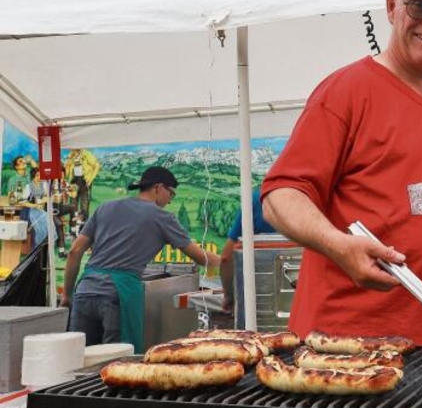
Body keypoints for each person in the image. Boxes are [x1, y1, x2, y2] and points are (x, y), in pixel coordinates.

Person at [261, 0, 422, 346]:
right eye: (419, 6)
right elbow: (280, 195)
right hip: (347, 348)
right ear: (392, 5)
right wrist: (339, 246)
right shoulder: (348, 91)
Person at [60, 166, 220, 351]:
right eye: (171, 194)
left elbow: (74, 251)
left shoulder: (105, 207)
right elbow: (201, 258)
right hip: (118, 294)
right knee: (118, 363)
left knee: (80, 360)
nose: (169, 201)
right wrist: (232, 258)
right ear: (158, 187)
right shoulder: (162, 217)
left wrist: (66, 294)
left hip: (84, 291)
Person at [219, 187, 277, 313]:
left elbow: (226, 258)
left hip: (260, 300)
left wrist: (229, 296)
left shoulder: (257, 199)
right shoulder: (316, 196)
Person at [64, 148, 101, 223]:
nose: (72, 150)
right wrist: (69, 159)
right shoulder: (71, 156)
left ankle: (84, 227)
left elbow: (97, 166)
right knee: (72, 205)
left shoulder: (86, 154)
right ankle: (73, 228)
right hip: (74, 182)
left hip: (84, 181)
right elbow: (66, 173)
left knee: (84, 206)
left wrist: (90, 179)